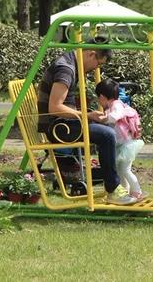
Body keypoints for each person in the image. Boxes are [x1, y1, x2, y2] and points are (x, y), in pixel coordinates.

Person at [37, 37, 136, 205]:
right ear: (91, 54)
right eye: (98, 64)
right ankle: (113, 189)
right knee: (107, 134)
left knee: (107, 129)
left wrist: (89, 114)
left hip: (64, 123)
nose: (95, 69)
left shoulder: (70, 63)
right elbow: (55, 107)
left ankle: (114, 182)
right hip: (58, 128)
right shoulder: (66, 69)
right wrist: (87, 115)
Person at [95, 78, 148, 202]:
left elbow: (115, 116)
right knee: (120, 170)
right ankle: (124, 191)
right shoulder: (112, 106)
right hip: (122, 145)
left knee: (125, 169)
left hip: (127, 145)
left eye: (98, 98)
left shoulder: (116, 105)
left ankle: (137, 191)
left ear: (102, 96)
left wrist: (103, 119)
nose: (99, 101)